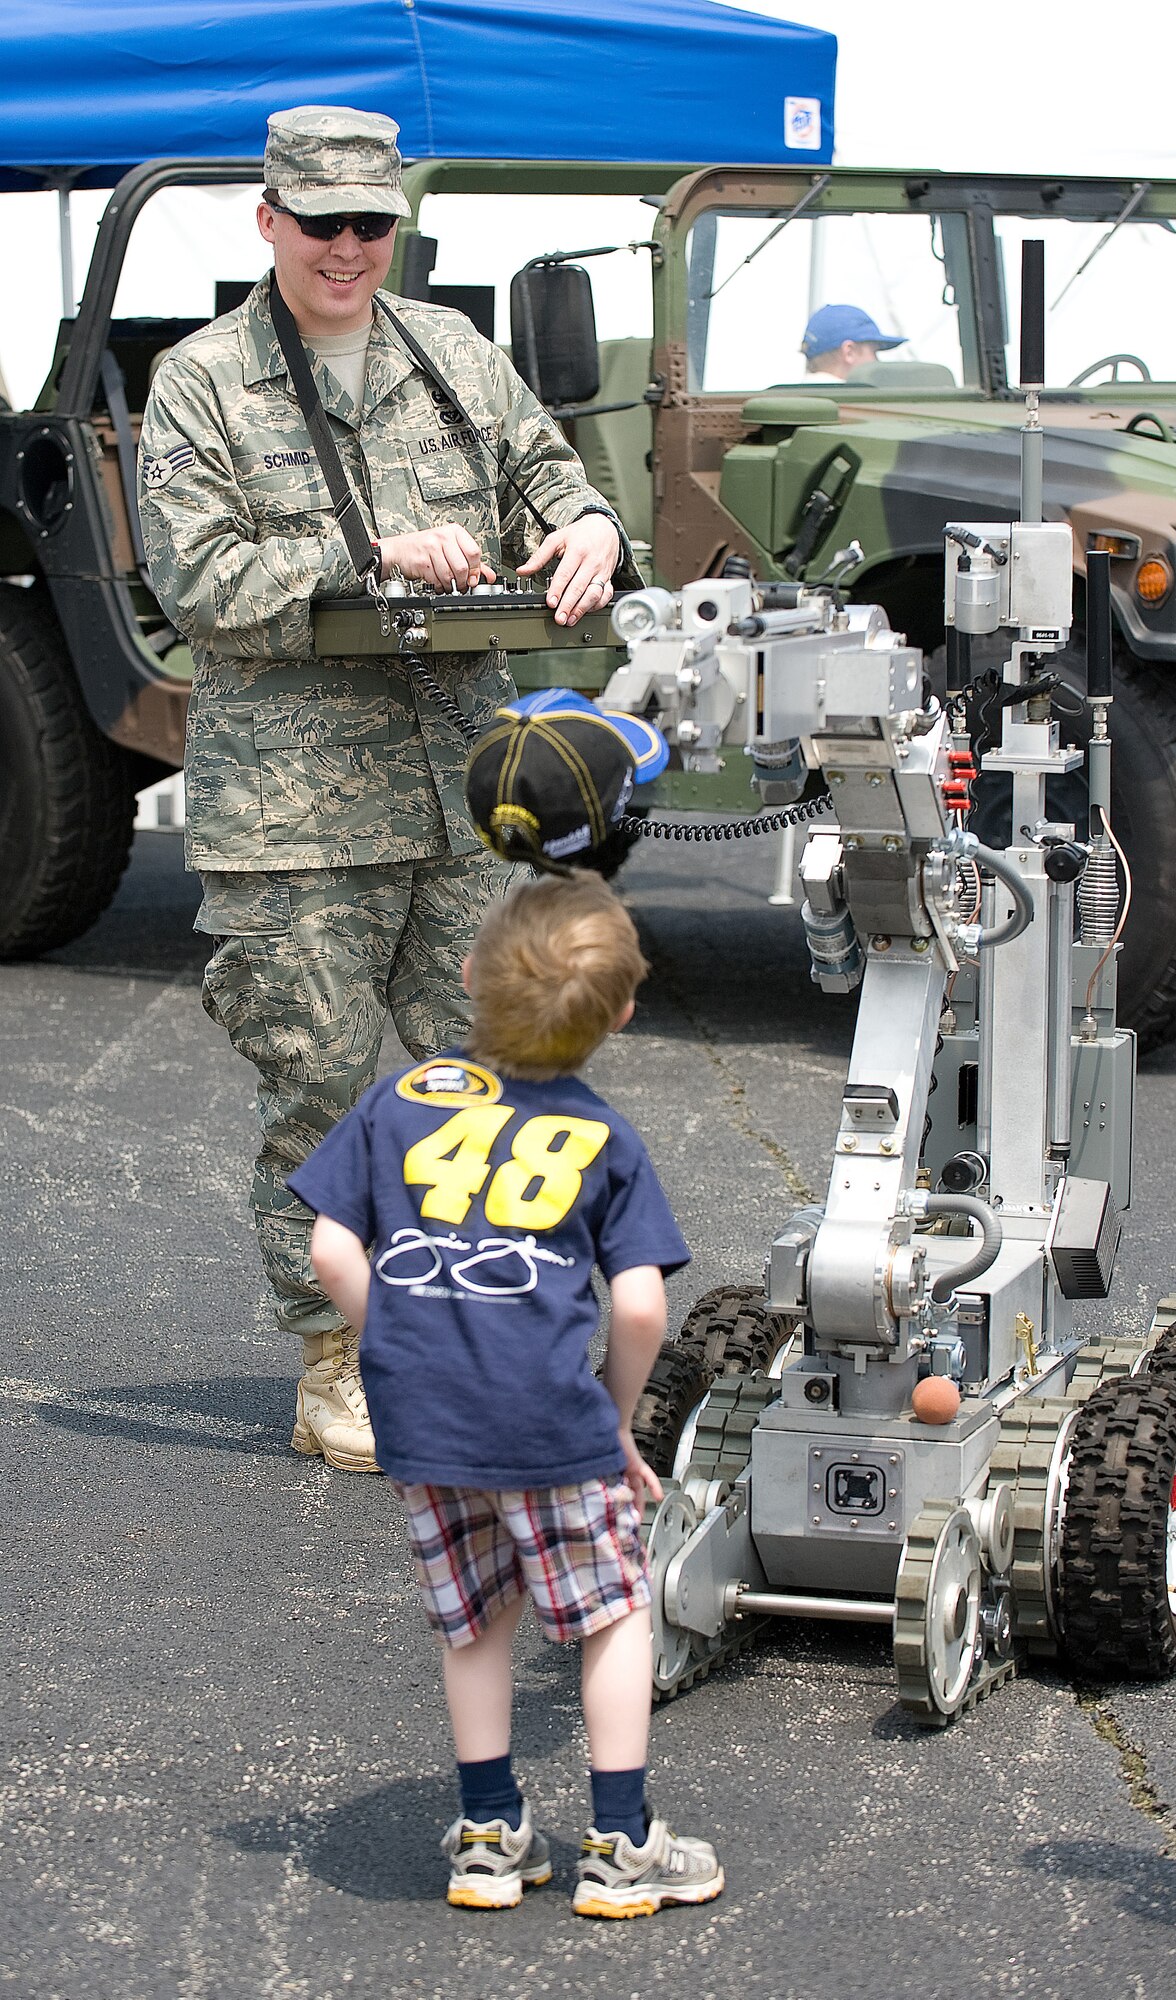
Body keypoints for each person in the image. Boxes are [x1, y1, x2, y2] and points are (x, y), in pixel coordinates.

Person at [138, 106, 635, 1472]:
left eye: (372, 225)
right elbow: (195, 583)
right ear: (268, 223)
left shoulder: (453, 354)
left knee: (490, 1081)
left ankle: (476, 1341)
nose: (348, 250)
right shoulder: (203, 380)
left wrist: (587, 526)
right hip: (294, 814)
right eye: (322, 225)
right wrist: (361, 561)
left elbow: (549, 472)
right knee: (319, 1092)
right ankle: (333, 1361)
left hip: (466, 792)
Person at [285, 789, 724, 1918]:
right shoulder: (603, 1137)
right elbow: (638, 1308)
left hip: (425, 1421)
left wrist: (397, 1336)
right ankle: (620, 1843)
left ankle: (488, 1832)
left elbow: (333, 1242)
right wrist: (615, 1419)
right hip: (549, 1421)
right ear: (620, 1015)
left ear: (470, 979)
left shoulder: (403, 1100)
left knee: (476, 1618)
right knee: (615, 1610)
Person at [800, 302, 906, 381]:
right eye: (874, 352)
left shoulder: (789, 401)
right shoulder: (860, 408)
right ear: (849, 352)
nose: (877, 361)